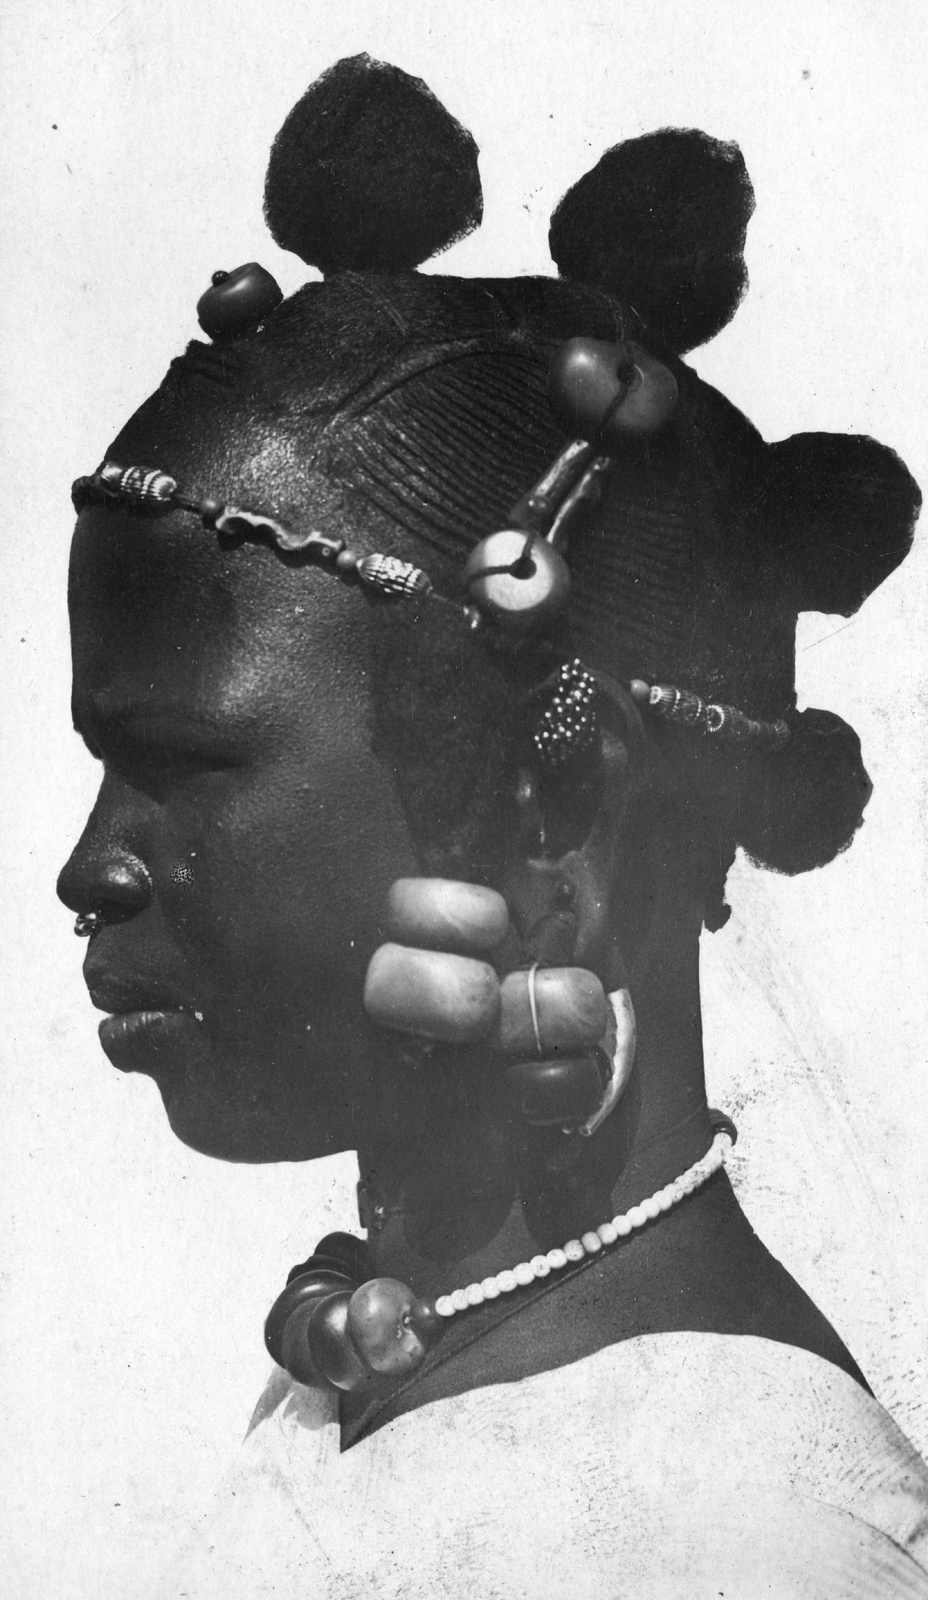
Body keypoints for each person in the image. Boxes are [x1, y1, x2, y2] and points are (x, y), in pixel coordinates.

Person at [58, 56, 928, 1597]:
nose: (90, 867)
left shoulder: (740, 1542)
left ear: (552, 811)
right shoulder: (400, 1367)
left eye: (180, 763)